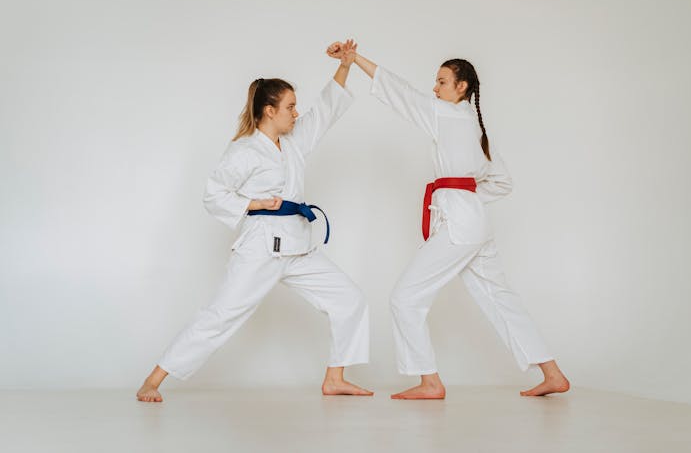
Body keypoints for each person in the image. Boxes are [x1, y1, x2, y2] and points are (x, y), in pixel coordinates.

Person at [327, 42, 570, 399]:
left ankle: (430, 382)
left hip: (460, 223)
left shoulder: (444, 113)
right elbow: (502, 181)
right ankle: (553, 374)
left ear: (462, 88)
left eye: (442, 82)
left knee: (405, 297)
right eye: (436, 82)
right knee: (501, 298)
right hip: (473, 223)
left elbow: (398, 91)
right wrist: (468, 199)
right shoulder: (474, 127)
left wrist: (355, 59)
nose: (434, 88)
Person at [137, 41, 372, 402]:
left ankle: (335, 378)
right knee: (221, 315)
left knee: (350, 299)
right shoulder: (245, 150)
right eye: (290, 107)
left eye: (296, 107)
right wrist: (254, 202)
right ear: (268, 110)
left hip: (297, 245)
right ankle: (153, 380)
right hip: (261, 248)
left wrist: (346, 64)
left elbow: (325, 112)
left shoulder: (293, 143)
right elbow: (213, 194)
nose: (297, 113)